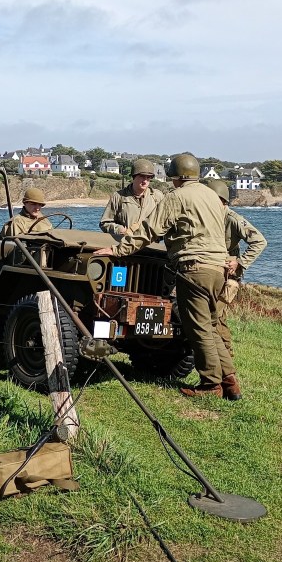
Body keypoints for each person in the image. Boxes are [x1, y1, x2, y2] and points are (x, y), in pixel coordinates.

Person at [93, 153, 240, 399]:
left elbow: (149, 230)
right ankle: (230, 381)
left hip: (194, 268)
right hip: (218, 268)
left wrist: (118, 250)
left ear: (177, 176)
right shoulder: (212, 197)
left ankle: (211, 385)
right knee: (212, 327)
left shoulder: (176, 197)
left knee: (199, 329)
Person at [204, 178, 267, 369]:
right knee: (216, 318)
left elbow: (259, 241)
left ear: (222, 201)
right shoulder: (206, 217)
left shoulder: (233, 219)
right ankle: (224, 363)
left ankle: (225, 363)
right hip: (210, 273)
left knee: (215, 317)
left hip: (227, 277)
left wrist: (240, 262)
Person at [99, 158, 165, 238]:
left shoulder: (157, 197)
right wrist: (119, 229)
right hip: (125, 242)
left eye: (148, 177)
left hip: (151, 243)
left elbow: (165, 223)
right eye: (142, 176)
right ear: (134, 177)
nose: (145, 181)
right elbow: (104, 223)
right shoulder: (119, 197)